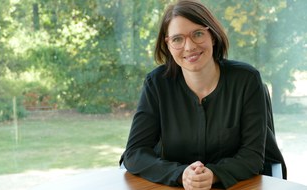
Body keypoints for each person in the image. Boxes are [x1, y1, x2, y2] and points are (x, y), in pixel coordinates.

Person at [119, 0, 286, 189]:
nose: (189, 47)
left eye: (198, 34)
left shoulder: (246, 79)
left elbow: (252, 156)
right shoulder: (156, 84)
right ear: (168, 44)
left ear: (212, 36)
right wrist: (181, 174)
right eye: (177, 39)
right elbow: (134, 153)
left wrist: (214, 174)